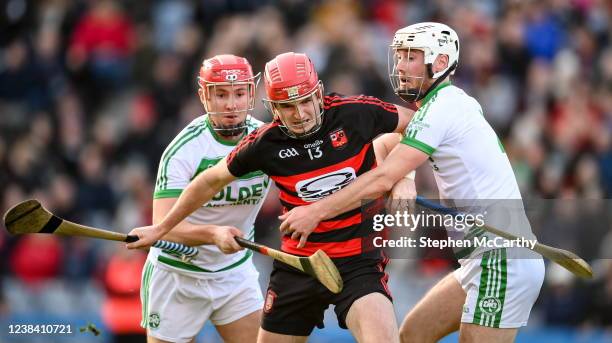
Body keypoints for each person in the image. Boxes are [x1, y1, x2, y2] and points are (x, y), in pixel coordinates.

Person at [278, 23, 545, 343]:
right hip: (480, 259)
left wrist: (315, 211)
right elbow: (387, 148)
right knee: (412, 335)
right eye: (399, 56)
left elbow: (381, 177)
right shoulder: (446, 104)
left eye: (412, 57)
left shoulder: (441, 109)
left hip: (502, 259)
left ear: (441, 63)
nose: (401, 65)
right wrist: (405, 179)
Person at [127, 51, 416, 343]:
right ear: (274, 107)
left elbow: (414, 130)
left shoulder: (354, 113)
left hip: (346, 263)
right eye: (288, 106)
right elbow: (208, 181)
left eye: (305, 101)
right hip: (270, 268)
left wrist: (404, 176)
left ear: (319, 93)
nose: (300, 114)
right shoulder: (262, 143)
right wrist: (173, 230)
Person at [139, 54, 271, 343]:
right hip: (178, 274)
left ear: (251, 93)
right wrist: (213, 234)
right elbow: (163, 226)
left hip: (233, 272)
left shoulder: (266, 139)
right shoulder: (184, 151)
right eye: (221, 94)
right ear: (204, 96)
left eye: (239, 93)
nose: (231, 104)